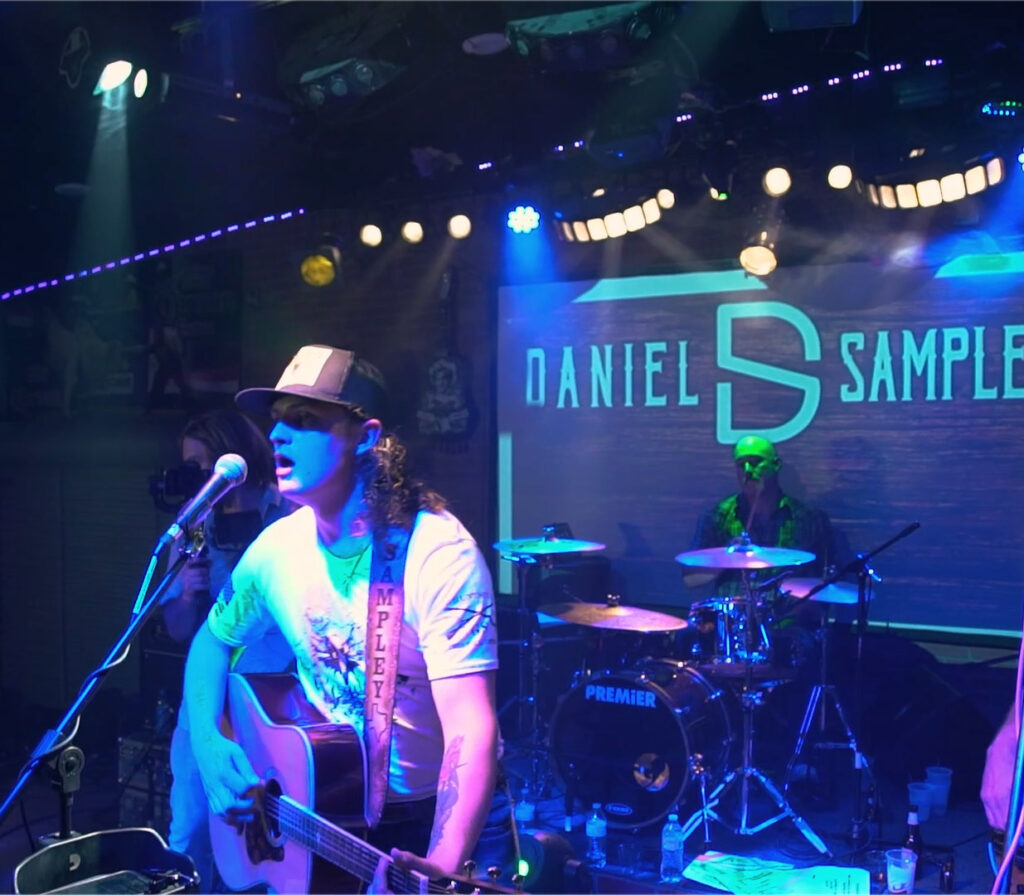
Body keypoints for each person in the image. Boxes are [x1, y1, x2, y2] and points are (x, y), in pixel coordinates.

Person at [182, 344, 499, 885]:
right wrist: (208, 742)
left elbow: (471, 725)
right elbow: (211, 643)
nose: (277, 436)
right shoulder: (277, 548)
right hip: (315, 799)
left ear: (366, 436)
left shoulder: (437, 554)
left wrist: (443, 864)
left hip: (418, 823)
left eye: (303, 420)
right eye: (276, 420)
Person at [162, 408, 295, 892]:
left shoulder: (290, 518)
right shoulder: (192, 525)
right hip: (207, 699)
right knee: (190, 831)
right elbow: (179, 630)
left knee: (266, 841)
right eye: (192, 468)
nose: (201, 479)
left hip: (274, 707)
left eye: (205, 465)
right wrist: (183, 592)